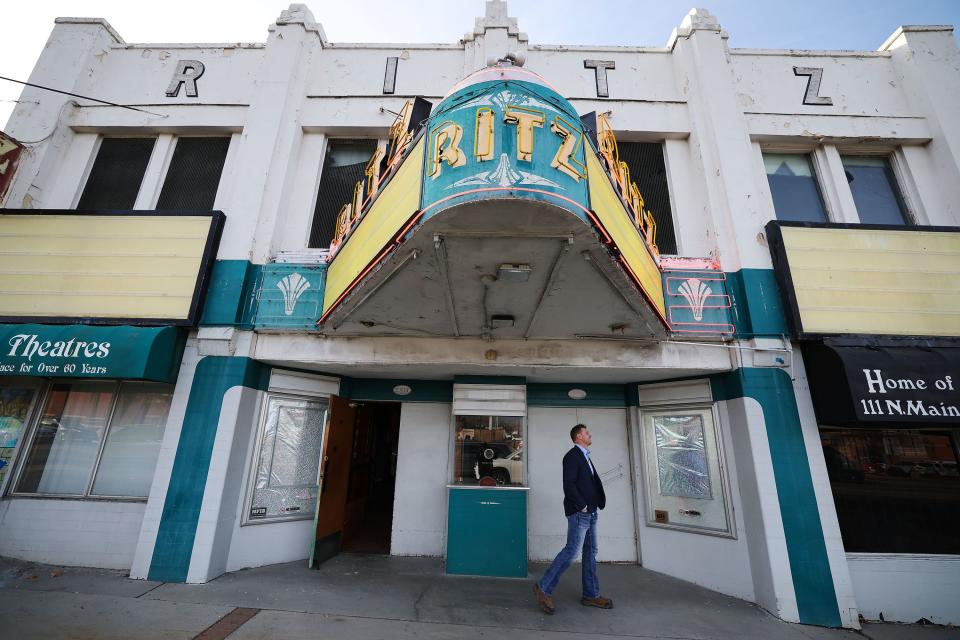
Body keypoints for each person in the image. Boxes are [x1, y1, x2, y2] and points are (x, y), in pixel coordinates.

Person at [533, 424, 613, 614]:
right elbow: (568, 485)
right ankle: (543, 588)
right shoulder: (572, 456)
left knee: (590, 552)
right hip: (580, 513)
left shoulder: (585, 456)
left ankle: (591, 595)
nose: (589, 434)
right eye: (586, 432)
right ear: (578, 436)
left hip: (591, 512)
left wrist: (592, 507)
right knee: (571, 552)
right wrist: (582, 506)